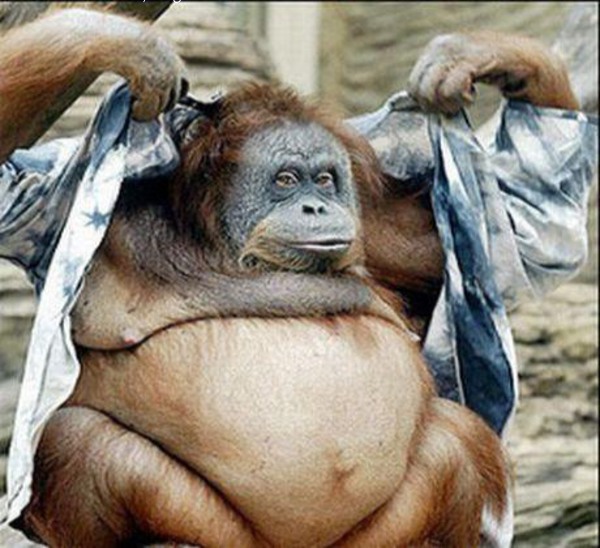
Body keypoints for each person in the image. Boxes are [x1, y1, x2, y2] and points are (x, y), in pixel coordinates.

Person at [0, 6, 597, 544]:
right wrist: (73, 39)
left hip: (386, 522)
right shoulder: (118, 218)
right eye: (284, 182)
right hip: (187, 516)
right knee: (74, 443)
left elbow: (536, 226)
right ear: (214, 188)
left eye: (325, 180)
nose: (315, 209)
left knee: (460, 440)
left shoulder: (379, 231)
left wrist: (532, 66)